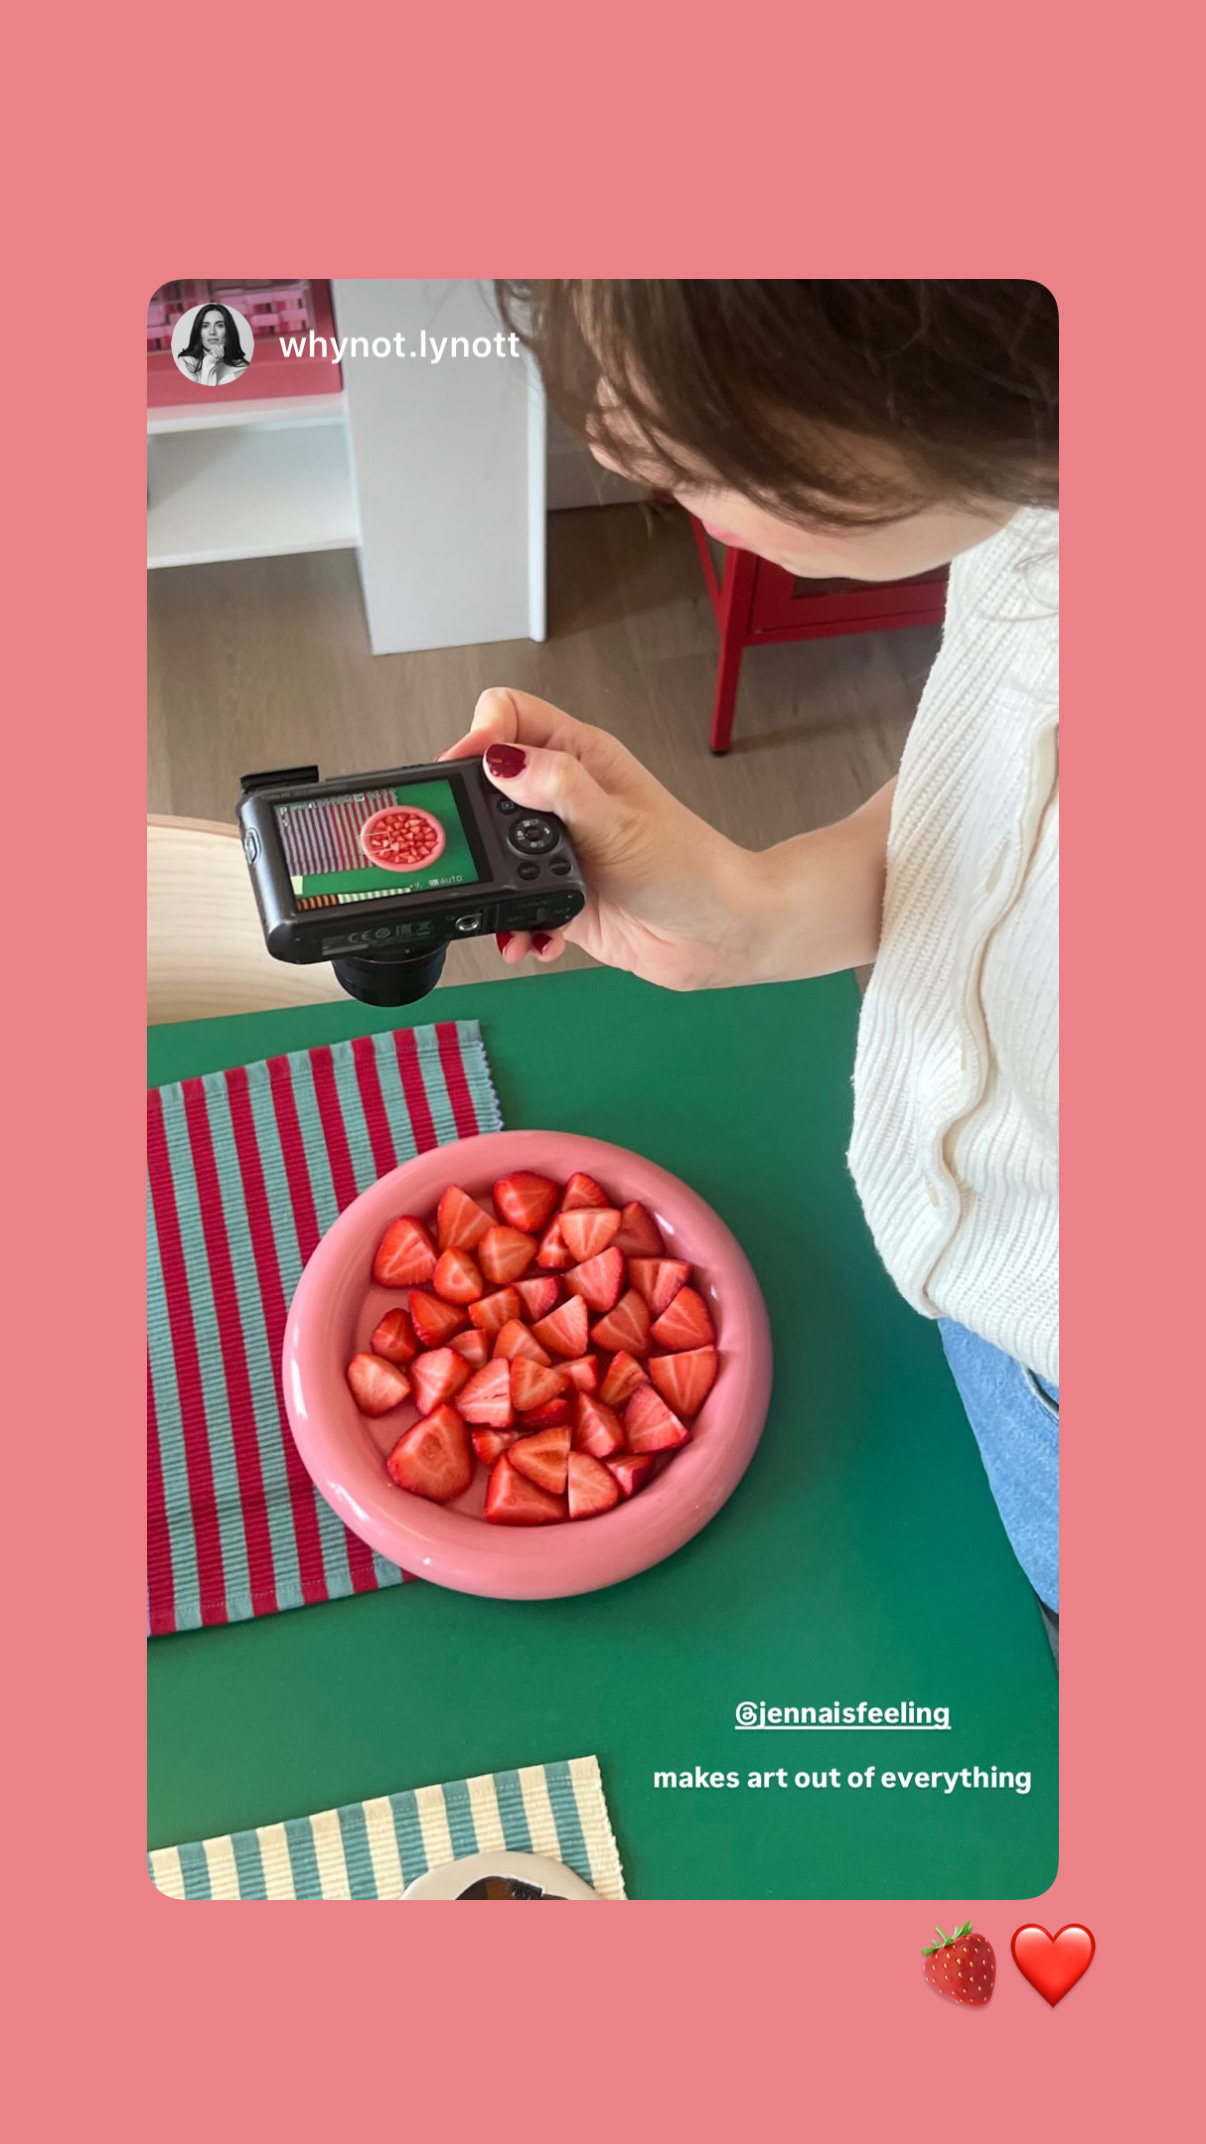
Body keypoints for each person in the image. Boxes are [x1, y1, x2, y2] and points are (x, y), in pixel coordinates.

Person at [441, 280, 1060, 1654]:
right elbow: (996, 799)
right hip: (964, 1289)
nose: (614, 443)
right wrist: (752, 906)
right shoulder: (1038, 491)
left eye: (698, 390)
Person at [175, 302, 250, 387]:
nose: (212, 332)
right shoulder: (187, 361)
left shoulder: (242, 368)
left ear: (229, 330)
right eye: (205, 326)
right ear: (198, 331)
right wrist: (209, 362)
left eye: (220, 325)